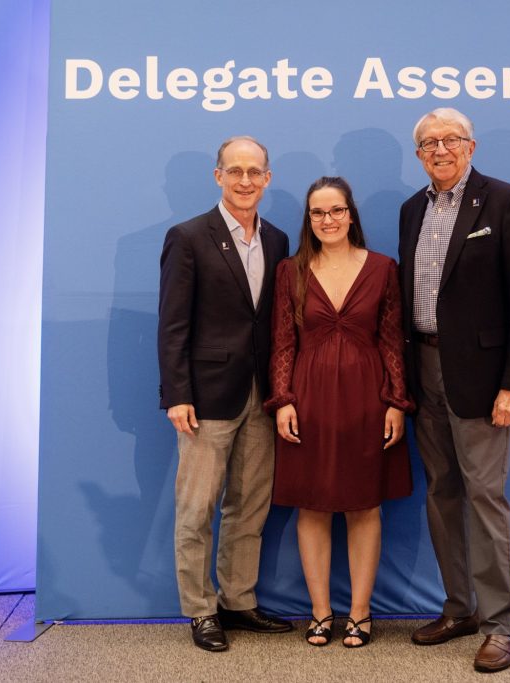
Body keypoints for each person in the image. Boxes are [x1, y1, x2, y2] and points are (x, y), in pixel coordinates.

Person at [398, 109, 510, 673]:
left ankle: (501, 625)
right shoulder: (413, 209)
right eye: (428, 143)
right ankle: (458, 607)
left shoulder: (505, 202)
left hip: (483, 381)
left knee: (485, 497)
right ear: (418, 155)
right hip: (424, 370)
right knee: (441, 493)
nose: (440, 149)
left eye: (450, 140)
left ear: (471, 146)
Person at [264, 176, 413, 648]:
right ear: (309, 220)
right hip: (308, 400)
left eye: (336, 210)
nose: (327, 220)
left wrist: (396, 403)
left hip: (368, 400)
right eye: (317, 212)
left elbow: (392, 341)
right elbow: (282, 342)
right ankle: (321, 612)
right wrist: (283, 399)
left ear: (351, 214)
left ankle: (361, 614)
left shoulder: (383, 267)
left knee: (363, 506)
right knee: (312, 505)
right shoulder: (291, 271)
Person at [158, 135, 292, 652]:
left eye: (254, 171)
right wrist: (177, 393)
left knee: (250, 506)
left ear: (267, 178)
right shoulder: (188, 236)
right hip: (206, 398)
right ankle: (200, 610)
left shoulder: (278, 240)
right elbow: (173, 325)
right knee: (196, 510)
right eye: (234, 171)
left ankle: (238, 601)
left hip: (262, 397)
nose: (244, 180)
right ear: (218, 176)